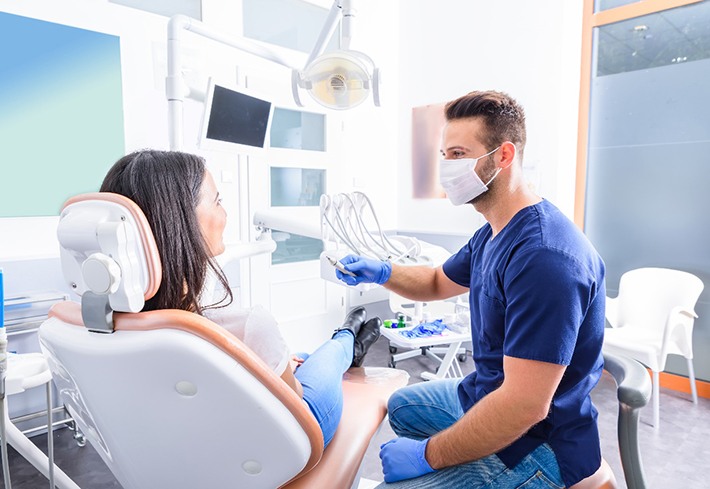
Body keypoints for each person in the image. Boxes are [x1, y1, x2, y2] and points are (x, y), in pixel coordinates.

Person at [336, 90, 606, 488]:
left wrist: (429, 455)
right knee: (400, 407)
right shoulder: (492, 233)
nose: (447, 168)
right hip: (488, 393)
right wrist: (381, 272)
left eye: (459, 154)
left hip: (538, 443)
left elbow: (524, 406)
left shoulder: (545, 258)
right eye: (445, 155)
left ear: (503, 156)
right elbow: (434, 281)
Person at [99, 149, 382, 448]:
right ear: (180, 221)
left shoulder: (102, 324)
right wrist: (286, 371)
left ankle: (336, 346)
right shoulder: (247, 326)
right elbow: (294, 407)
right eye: (217, 201)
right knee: (327, 357)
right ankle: (347, 338)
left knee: (302, 357)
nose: (225, 213)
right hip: (284, 447)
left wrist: (278, 361)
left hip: (182, 450)